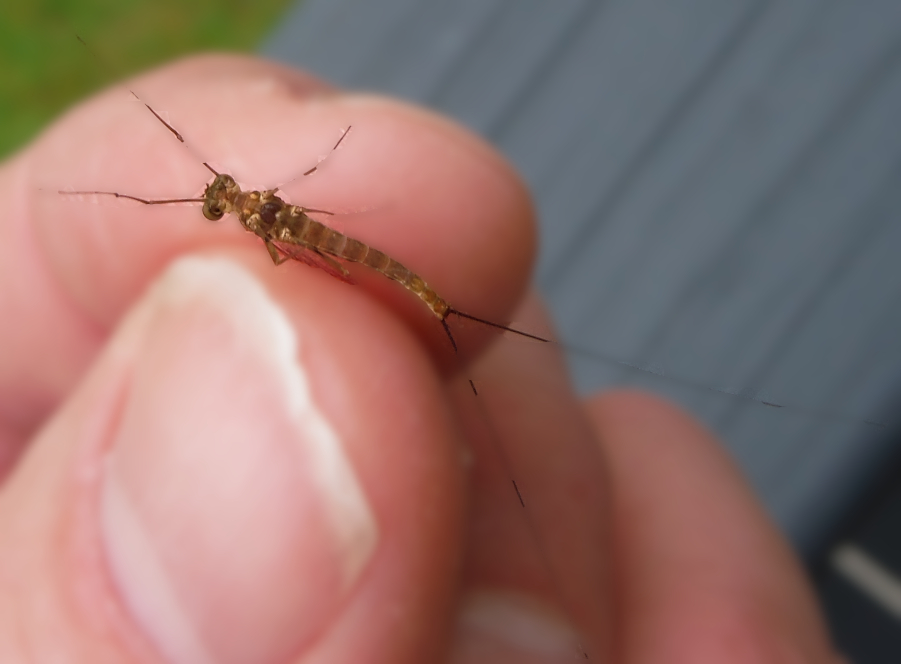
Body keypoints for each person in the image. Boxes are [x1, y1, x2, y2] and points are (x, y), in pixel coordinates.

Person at [0, 55, 844, 663]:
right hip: (333, 247)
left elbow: (291, 234)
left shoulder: (258, 218)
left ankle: (430, 302)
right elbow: (285, 224)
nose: (217, 195)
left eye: (218, 194)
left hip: (342, 250)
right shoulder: (257, 211)